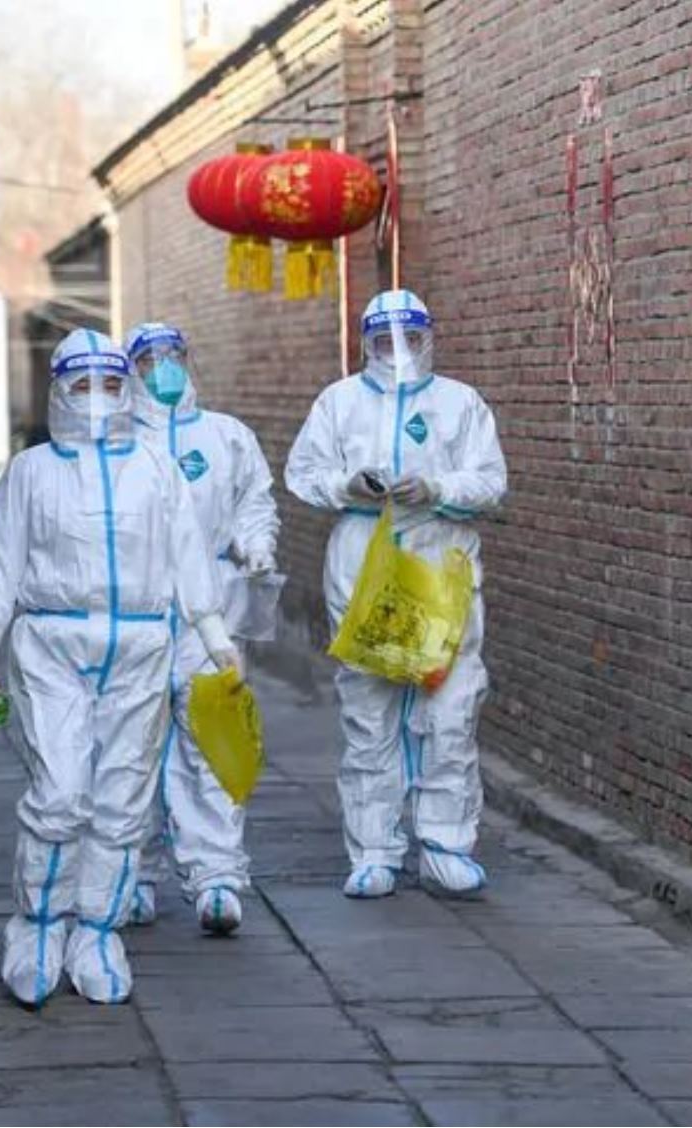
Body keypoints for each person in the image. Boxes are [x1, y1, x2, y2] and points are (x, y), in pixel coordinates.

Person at [0, 327, 240, 1006]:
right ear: (59, 390)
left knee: (122, 801)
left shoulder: (155, 468)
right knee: (60, 794)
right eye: (82, 385)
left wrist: (213, 633)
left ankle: (96, 930)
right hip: (50, 643)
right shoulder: (31, 472)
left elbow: (186, 554)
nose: (97, 398)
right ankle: (38, 926)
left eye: (111, 384)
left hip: (141, 644)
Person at [284, 289, 507, 900]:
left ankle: (446, 845)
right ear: (366, 344)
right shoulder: (339, 402)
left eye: (411, 339)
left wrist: (436, 488)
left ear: (429, 338)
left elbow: (491, 481)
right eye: (386, 342)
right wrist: (349, 485)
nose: (399, 352)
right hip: (364, 561)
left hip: (440, 561)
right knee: (369, 713)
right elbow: (303, 472)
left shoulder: (461, 403)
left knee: (450, 709)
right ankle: (374, 851)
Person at [121, 322, 279, 936]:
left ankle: (216, 877)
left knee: (211, 741)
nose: (163, 367)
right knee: (130, 747)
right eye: (149, 359)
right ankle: (130, 874)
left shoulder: (225, 436)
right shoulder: (119, 442)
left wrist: (256, 546)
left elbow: (253, 502)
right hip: (138, 609)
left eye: (173, 356)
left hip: (209, 611)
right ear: (131, 370)